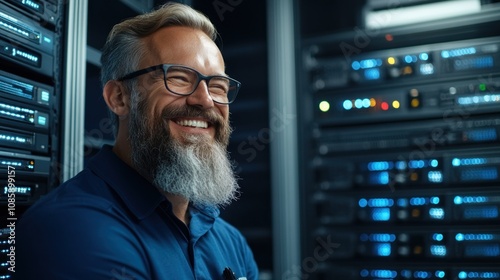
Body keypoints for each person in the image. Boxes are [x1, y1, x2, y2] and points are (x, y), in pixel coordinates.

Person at [16, 2, 259, 279]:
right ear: (120, 98)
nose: (205, 100)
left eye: (218, 87)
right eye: (178, 78)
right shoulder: (70, 230)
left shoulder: (230, 240)